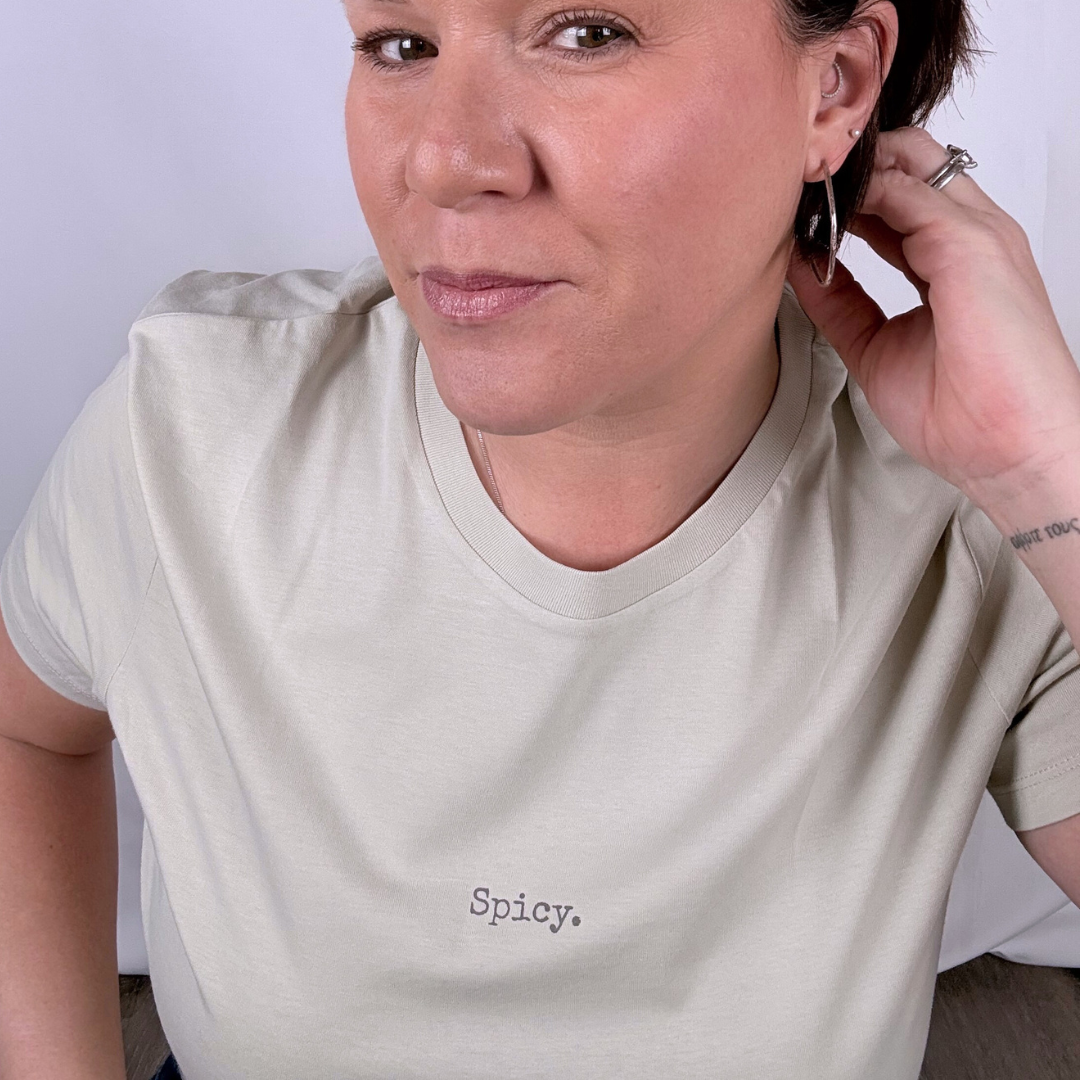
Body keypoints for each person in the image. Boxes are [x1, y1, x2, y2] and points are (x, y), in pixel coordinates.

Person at [3, 0, 1080, 1077]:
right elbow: (25, 728)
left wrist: (1047, 470)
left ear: (834, 87)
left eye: (588, 32)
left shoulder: (987, 512)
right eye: (401, 45)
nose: (445, 158)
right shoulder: (196, 428)